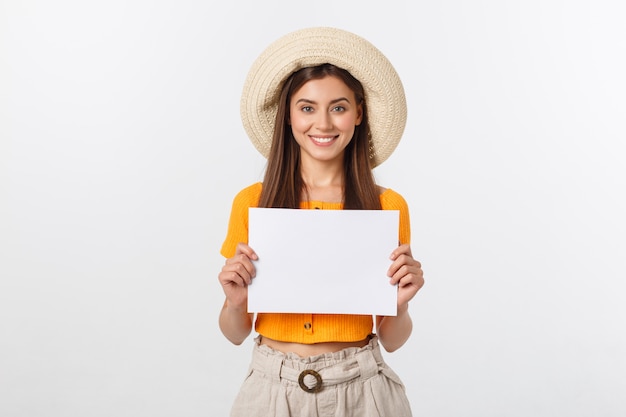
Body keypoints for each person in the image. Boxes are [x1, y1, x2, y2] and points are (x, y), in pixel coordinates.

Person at [218, 27, 424, 417]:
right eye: (307, 107)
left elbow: (393, 340)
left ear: (358, 113)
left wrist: (399, 305)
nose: (324, 124)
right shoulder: (253, 202)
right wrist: (235, 302)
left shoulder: (385, 206)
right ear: (289, 115)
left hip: (363, 389)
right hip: (271, 389)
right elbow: (235, 332)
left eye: (339, 107)